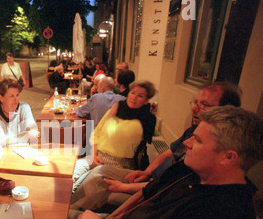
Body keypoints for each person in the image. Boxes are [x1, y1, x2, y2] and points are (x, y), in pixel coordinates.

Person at [23, 106, 262, 219]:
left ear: (228, 157)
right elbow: (144, 194)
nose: (186, 143)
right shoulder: (191, 171)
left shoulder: (223, 214)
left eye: (197, 140)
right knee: (46, 218)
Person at [70, 82, 243, 212]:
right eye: (195, 102)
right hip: (147, 179)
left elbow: (170, 187)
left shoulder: (210, 153)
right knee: (87, 176)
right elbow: (166, 153)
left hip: (152, 190)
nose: (194, 108)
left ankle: (67, 215)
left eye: (204, 105)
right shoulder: (193, 132)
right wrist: (146, 172)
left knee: (97, 185)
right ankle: (67, 208)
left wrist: (126, 187)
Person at [72, 80, 156, 188]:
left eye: (140, 96)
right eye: (132, 93)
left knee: (79, 186)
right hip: (97, 157)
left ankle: (68, 204)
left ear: (146, 100)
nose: (134, 97)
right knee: (70, 173)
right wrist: (94, 154)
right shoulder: (117, 108)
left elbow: (113, 133)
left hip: (119, 165)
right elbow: (97, 132)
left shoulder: (143, 120)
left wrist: (112, 114)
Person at [0, 78, 38, 146]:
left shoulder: (24, 108)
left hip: (24, 150)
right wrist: (25, 135)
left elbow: (34, 134)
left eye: (17, 95)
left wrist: (4, 137)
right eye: (11, 96)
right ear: (1, 98)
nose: (16, 99)